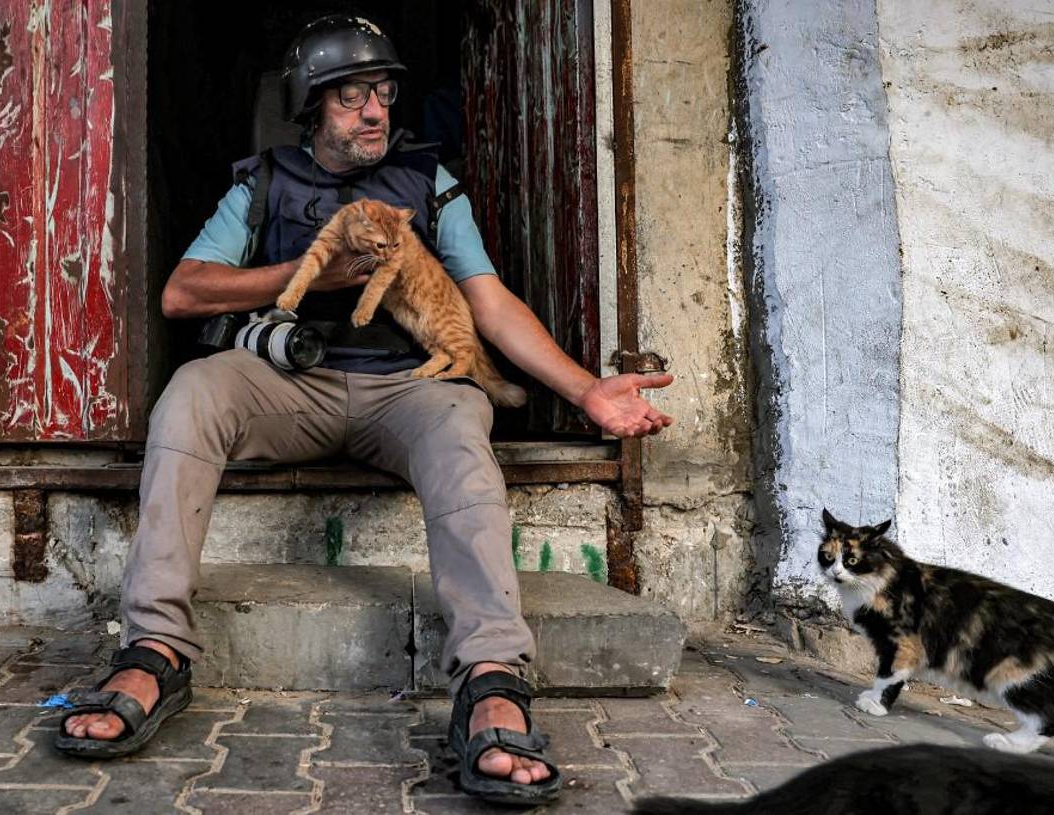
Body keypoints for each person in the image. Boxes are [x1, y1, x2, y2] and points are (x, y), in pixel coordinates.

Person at [54, 15, 673, 805]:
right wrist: (316, 278)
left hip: (410, 387)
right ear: (312, 109)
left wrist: (586, 389)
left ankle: (491, 676)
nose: (375, 111)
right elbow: (184, 291)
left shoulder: (428, 182)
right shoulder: (264, 184)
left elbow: (487, 301)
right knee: (193, 392)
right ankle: (153, 651)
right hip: (293, 388)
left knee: (460, 426)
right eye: (350, 98)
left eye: (382, 93)